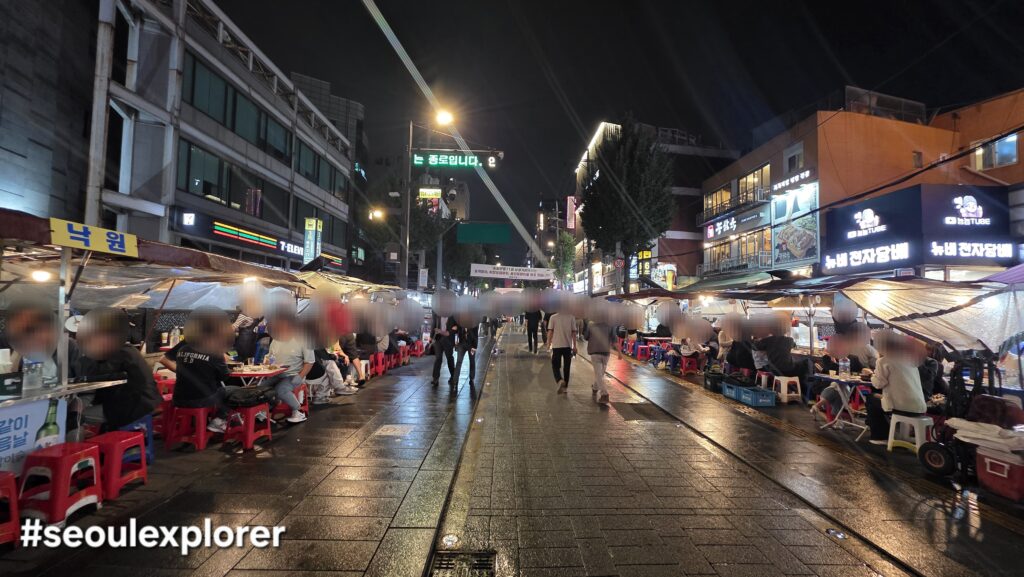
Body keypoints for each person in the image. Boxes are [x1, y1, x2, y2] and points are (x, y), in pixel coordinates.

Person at [75, 308, 161, 431]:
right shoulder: (125, 349)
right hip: (144, 401)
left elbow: (100, 373)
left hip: (133, 406)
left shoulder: (119, 352)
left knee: (76, 415)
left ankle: (81, 448)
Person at [170, 309, 238, 432]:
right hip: (201, 399)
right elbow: (225, 376)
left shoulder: (183, 349)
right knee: (233, 391)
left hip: (178, 398)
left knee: (216, 389)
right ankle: (219, 420)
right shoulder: (214, 352)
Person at [866, 332, 927, 445]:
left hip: (901, 406)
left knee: (871, 398)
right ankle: (893, 432)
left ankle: (880, 436)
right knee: (877, 399)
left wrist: (871, 375)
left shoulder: (884, 361)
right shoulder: (909, 360)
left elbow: (878, 384)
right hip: (920, 406)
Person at [261, 314, 314, 424]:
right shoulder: (276, 340)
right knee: (259, 389)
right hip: (276, 374)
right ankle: (268, 409)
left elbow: (310, 362)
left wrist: (300, 377)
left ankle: (298, 411)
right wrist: (267, 363)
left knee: (281, 389)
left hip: (294, 374)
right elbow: (270, 357)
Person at [584, 317, 616, 404]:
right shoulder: (611, 323)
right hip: (606, 352)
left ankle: (604, 394)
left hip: (595, 352)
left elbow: (586, 337)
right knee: (600, 374)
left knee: (599, 374)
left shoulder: (591, 323)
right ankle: (595, 388)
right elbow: (614, 338)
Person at [546, 310, 577, 394]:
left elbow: (550, 331)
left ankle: (559, 380)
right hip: (567, 346)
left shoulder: (553, 317)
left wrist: (548, 343)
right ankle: (565, 388)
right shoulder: (571, 317)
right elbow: (574, 333)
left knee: (555, 365)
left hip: (557, 346)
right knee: (567, 367)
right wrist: (575, 346)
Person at [431, 312, 458, 387]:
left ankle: (453, 376)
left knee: (449, 357)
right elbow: (433, 323)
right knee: (438, 358)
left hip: (448, 339)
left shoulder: (453, 314)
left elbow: (456, 327)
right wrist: (431, 337)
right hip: (438, 338)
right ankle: (435, 378)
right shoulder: (437, 313)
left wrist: (450, 332)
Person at [453, 314, 480, 386]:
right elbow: (457, 332)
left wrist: (475, 346)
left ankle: (472, 378)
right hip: (462, 343)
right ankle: (455, 380)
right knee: (459, 361)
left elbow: (476, 335)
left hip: (471, 344)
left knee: (472, 361)